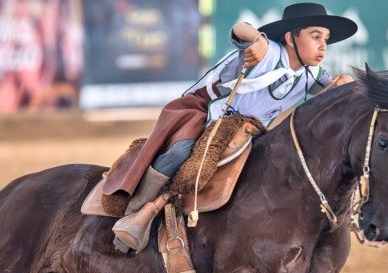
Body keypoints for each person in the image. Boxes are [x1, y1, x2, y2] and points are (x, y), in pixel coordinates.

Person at [109, 3, 358, 252]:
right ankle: (136, 209)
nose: (323, 45)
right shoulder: (266, 52)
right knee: (181, 152)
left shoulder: (311, 74)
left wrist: (345, 82)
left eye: (325, 39)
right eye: (315, 36)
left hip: (247, 130)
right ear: (290, 38)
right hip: (204, 110)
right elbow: (241, 29)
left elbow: (337, 88)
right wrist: (258, 39)